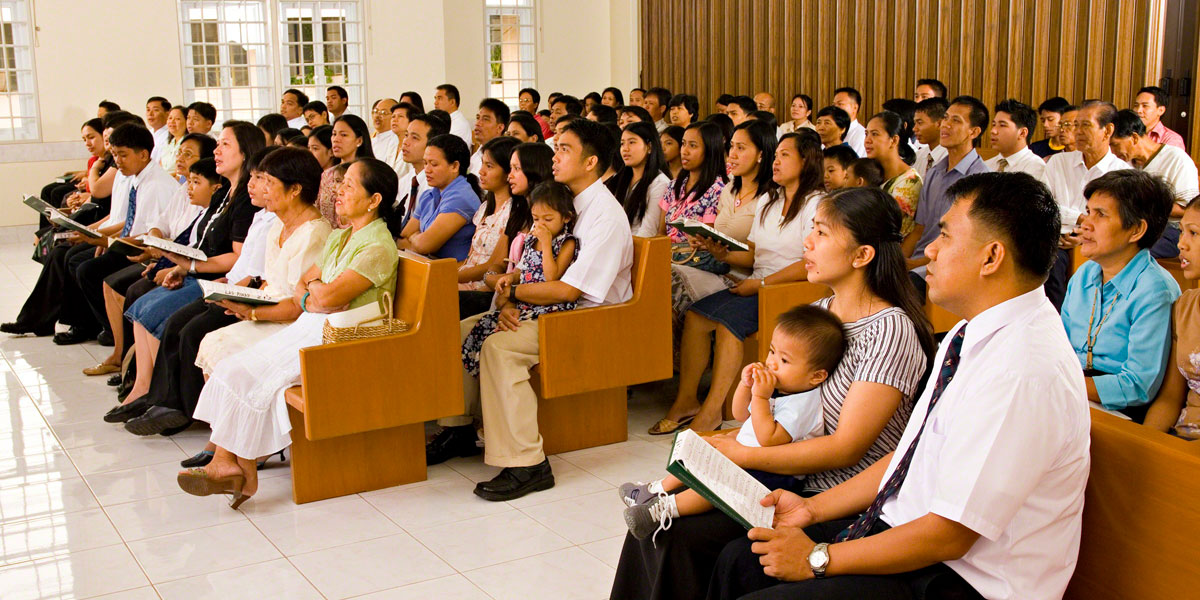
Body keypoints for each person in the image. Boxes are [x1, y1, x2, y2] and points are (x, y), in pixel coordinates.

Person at [708, 171, 1089, 600]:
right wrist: (811, 508)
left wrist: (817, 557)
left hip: (963, 580)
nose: (930, 250)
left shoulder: (1023, 368)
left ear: (991, 257)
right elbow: (909, 454)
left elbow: (950, 535)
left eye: (944, 236)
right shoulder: (971, 334)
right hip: (913, 534)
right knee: (741, 561)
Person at [611, 186, 933, 600]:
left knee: (706, 545)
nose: (808, 242)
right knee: (660, 528)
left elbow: (846, 450)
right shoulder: (819, 313)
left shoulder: (890, 330)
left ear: (862, 255)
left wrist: (744, 455)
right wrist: (751, 399)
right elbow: (762, 409)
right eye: (811, 229)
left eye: (821, 233)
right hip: (784, 476)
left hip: (838, 495)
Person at [178, 158, 400, 507]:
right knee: (235, 368)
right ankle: (233, 466)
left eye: (349, 186)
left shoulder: (377, 247)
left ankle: (235, 468)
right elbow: (307, 286)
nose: (338, 191)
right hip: (317, 325)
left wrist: (313, 292)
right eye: (339, 185)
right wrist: (315, 291)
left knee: (254, 375)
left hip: (345, 339)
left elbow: (325, 295)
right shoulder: (342, 236)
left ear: (374, 200)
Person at [430, 119, 632, 502]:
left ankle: (528, 464)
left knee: (500, 349)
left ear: (591, 162)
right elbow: (529, 267)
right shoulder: (560, 202)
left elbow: (571, 289)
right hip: (550, 308)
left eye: (565, 150)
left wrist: (515, 294)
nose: (555, 157)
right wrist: (508, 298)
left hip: (586, 319)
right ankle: (460, 429)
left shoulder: (604, 214)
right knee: (460, 331)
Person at [130, 148, 332, 436]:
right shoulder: (279, 223)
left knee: (219, 344)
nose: (262, 189)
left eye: (269, 182)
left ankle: (232, 441)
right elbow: (269, 280)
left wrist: (250, 311)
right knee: (210, 339)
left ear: (295, 189)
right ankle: (224, 436)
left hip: (292, 322)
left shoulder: (314, 233)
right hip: (268, 307)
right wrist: (242, 299)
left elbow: (298, 303)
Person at [622, 305, 844, 541]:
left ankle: (664, 509)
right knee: (700, 450)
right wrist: (745, 385)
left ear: (816, 376)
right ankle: (655, 490)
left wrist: (760, 397)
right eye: (771, 352)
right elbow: (741, 414)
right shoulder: (781, 389)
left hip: (773, 473)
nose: (772, 363)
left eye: (785, 360)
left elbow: (769, 439)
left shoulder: (804, 404)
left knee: (715, 485)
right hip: (748, 455)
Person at [652, 130, 823, 435]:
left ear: (806, 161)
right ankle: (686, 400)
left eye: (786, 155)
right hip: (760, 282)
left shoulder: (816, 204)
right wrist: (724, 253)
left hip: (789, 289)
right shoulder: (770, 199)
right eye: (777, 154)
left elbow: (810, 262)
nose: (777, 161)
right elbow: (755, 254)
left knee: (730, 325)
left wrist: (761, 285)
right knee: (696, 315)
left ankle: (713, 410)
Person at [103, 122, 268, 424]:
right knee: (141, 307)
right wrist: (180, 263)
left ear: (246, 153)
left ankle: (164, 399)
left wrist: (188, 266)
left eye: (225, 145)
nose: (216, 150)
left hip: (217, 277)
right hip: (202, 271)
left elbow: (238, 257)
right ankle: (144, 387)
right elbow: (200, 238)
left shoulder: (247, 198)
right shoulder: (225, 193)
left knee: (168, 318)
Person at [1062, 169, 1178, 423]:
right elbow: (1059, 347)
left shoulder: (1155, 290)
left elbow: (1138, 386)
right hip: (1071, 388)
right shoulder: (1084, 275)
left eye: (1101, 215)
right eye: (1088, 211)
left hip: (1119, 409)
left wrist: (1063, 386)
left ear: (1136, 230)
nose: (1086, 223)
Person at [1, 117, 120, 338]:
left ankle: (73, 323)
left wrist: (92, 234)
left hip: (112, 230)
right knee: (59, 248)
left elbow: (107, 202)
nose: (108, 145)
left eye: (104, 139)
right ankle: (38, 319)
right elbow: (100, 201)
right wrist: (74, 211)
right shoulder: (109, 164)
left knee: (67, 255)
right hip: (101, 222)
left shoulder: (114, 166)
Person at [71, 123, 182, 348]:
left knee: (87, 269)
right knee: (78, 258)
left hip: (147, 251)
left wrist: (107, 240)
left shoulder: (156, 184)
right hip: (133, 242)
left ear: (143, 154)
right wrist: (105, 238)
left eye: (123, 155)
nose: (118, 161)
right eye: (114, 155)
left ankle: (114, 333)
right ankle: (106, 328)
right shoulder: (138, 177)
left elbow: (150, 236)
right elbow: (133, 222)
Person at [462, 181, 579, 374]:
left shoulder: (566, 243)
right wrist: (510, 278)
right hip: (523, 300)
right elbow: (524, 270)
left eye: (548, 220)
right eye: (536, 219)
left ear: (566, 217)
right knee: (475, 329)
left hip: (545, 305)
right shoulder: (532, 239)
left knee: (495, 337)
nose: (541, 225)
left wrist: (547, 245)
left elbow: (552, 277)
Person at [1043, 100, 1130, 307]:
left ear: (1107, 130)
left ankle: (1062, 326)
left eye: (1086, 125)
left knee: (1052, 262)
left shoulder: (1122, 174)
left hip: (1098, 242)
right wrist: (1081, 219)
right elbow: (1044, 204)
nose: (1078, 132)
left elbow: (1115, 220)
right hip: (1054, 236)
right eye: (1076, 125)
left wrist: (1085, 234)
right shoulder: (1058, 162)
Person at [907, 96, 991, 298]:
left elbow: (965, 243)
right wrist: (899, 260)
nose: (945, 125)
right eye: (945, 118)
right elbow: (920, 229)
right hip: (920, 260)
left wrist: (913, 264)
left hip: (948, 263)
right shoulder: (935, 171)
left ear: (974, 132)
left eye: (956, 120)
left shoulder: (980, 178)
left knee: (903, 286)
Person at [1109, 109, 1199, 258]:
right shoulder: (1123, 164)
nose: (1113, 152)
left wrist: (1144, 207)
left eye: (1115, 145)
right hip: (1134, 226)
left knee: (1130, 253)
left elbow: (1188, 210)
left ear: (1134, 138)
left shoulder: (1176, 159)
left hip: (1171, 229)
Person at [1145, 196, 1200, 437]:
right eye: (1182, 232)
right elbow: (1169, 399)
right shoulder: (1185, 305)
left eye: (1194, 234)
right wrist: (1146, 444)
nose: (1181, 244)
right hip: (1181, 438)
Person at [458, 136, 520, 317]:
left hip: (483, 287)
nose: (481, 171)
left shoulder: (513, 212)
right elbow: (470, 257)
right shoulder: (486, 206)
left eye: (489, 166)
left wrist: (447, 277)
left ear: (508, 172)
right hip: (467, 277)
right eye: (482, 164)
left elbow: (494, 265)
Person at [398, 134, 482, 260]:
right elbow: (403, 236)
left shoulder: (461, 197)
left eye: (434, 164)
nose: (427, 169)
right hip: (428, 265)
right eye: (425, 163)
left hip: (454, 273)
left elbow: (425, 245)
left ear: (454, 166)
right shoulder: (429, 194)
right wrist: (418, 239)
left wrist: (416, 238)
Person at [660, 122, 727, 245]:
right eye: (683, 144)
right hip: (668, 255)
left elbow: (707, 240)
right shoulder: (673, 185)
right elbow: (661, 232)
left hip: (693, 259)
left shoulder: (717, 190)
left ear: (710, 149)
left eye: (693, 145)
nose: (684, 151)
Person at [608, 121, 671, 237]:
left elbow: (649, 231)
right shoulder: (620, 179)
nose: (625, 149)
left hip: (637, 247)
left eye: (632, 142)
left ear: (649, 147)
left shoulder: (660, 183)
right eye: (622, 144)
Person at [865, 111, 922, 237]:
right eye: (866, 134)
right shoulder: (870, 172)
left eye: (874, 134)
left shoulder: (909, 182)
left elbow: (882, 226)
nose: (867, 140)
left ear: (894, 140)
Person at [394, 113, 449, 230]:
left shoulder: (439, 186)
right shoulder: (405, 181)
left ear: (433, 145)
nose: (405, 142)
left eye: (414, 138)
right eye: (406, 135)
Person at [317, 114, 374, 226]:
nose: (336, 139)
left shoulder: (369, 174)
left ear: (359, 140)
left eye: (343, 135)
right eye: (334, 134)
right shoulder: (327, 175)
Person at [984, 98, 1046, 181]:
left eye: (1002, 125)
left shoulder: (1036, 167)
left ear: (1022, 133)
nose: (993, 131)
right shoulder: (986, 166)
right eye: (994, 124)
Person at [1134, 85, 1186, 150]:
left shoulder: (1172, 139)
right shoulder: (1129, 133)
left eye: (1145, 106)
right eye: (1136, 105)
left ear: (1160, 110)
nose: (1138, 110)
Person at [470, 98, 510, 174]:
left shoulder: (504, 159)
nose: (478, 123)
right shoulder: (475, 157)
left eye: (485, 119)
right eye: (478, 118)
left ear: (500, 128)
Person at [381, 102, 421, 178]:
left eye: (400, 116)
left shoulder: (414, 147)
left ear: (411, 121)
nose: (394, 120)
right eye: (393, 116)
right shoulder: (392, 145)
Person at [912, 97, 949, 178]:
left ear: (939, 124)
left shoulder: (949, 157)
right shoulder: (918, 156)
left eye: (920, 123)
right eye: (915, 123)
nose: (914, 128)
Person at [156, 106, 189, 177]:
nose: (172, 121)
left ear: (186, 122)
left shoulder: (187, 144)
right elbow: (160, 167)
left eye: (177, 119)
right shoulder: (168, 143)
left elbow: (181, 174)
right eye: (170, 118)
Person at [833, 87, 866, 156]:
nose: (834, 108)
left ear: (855, 108)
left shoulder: (861, 135)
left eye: (840, 104)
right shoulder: (831, 131)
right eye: (834, 104)